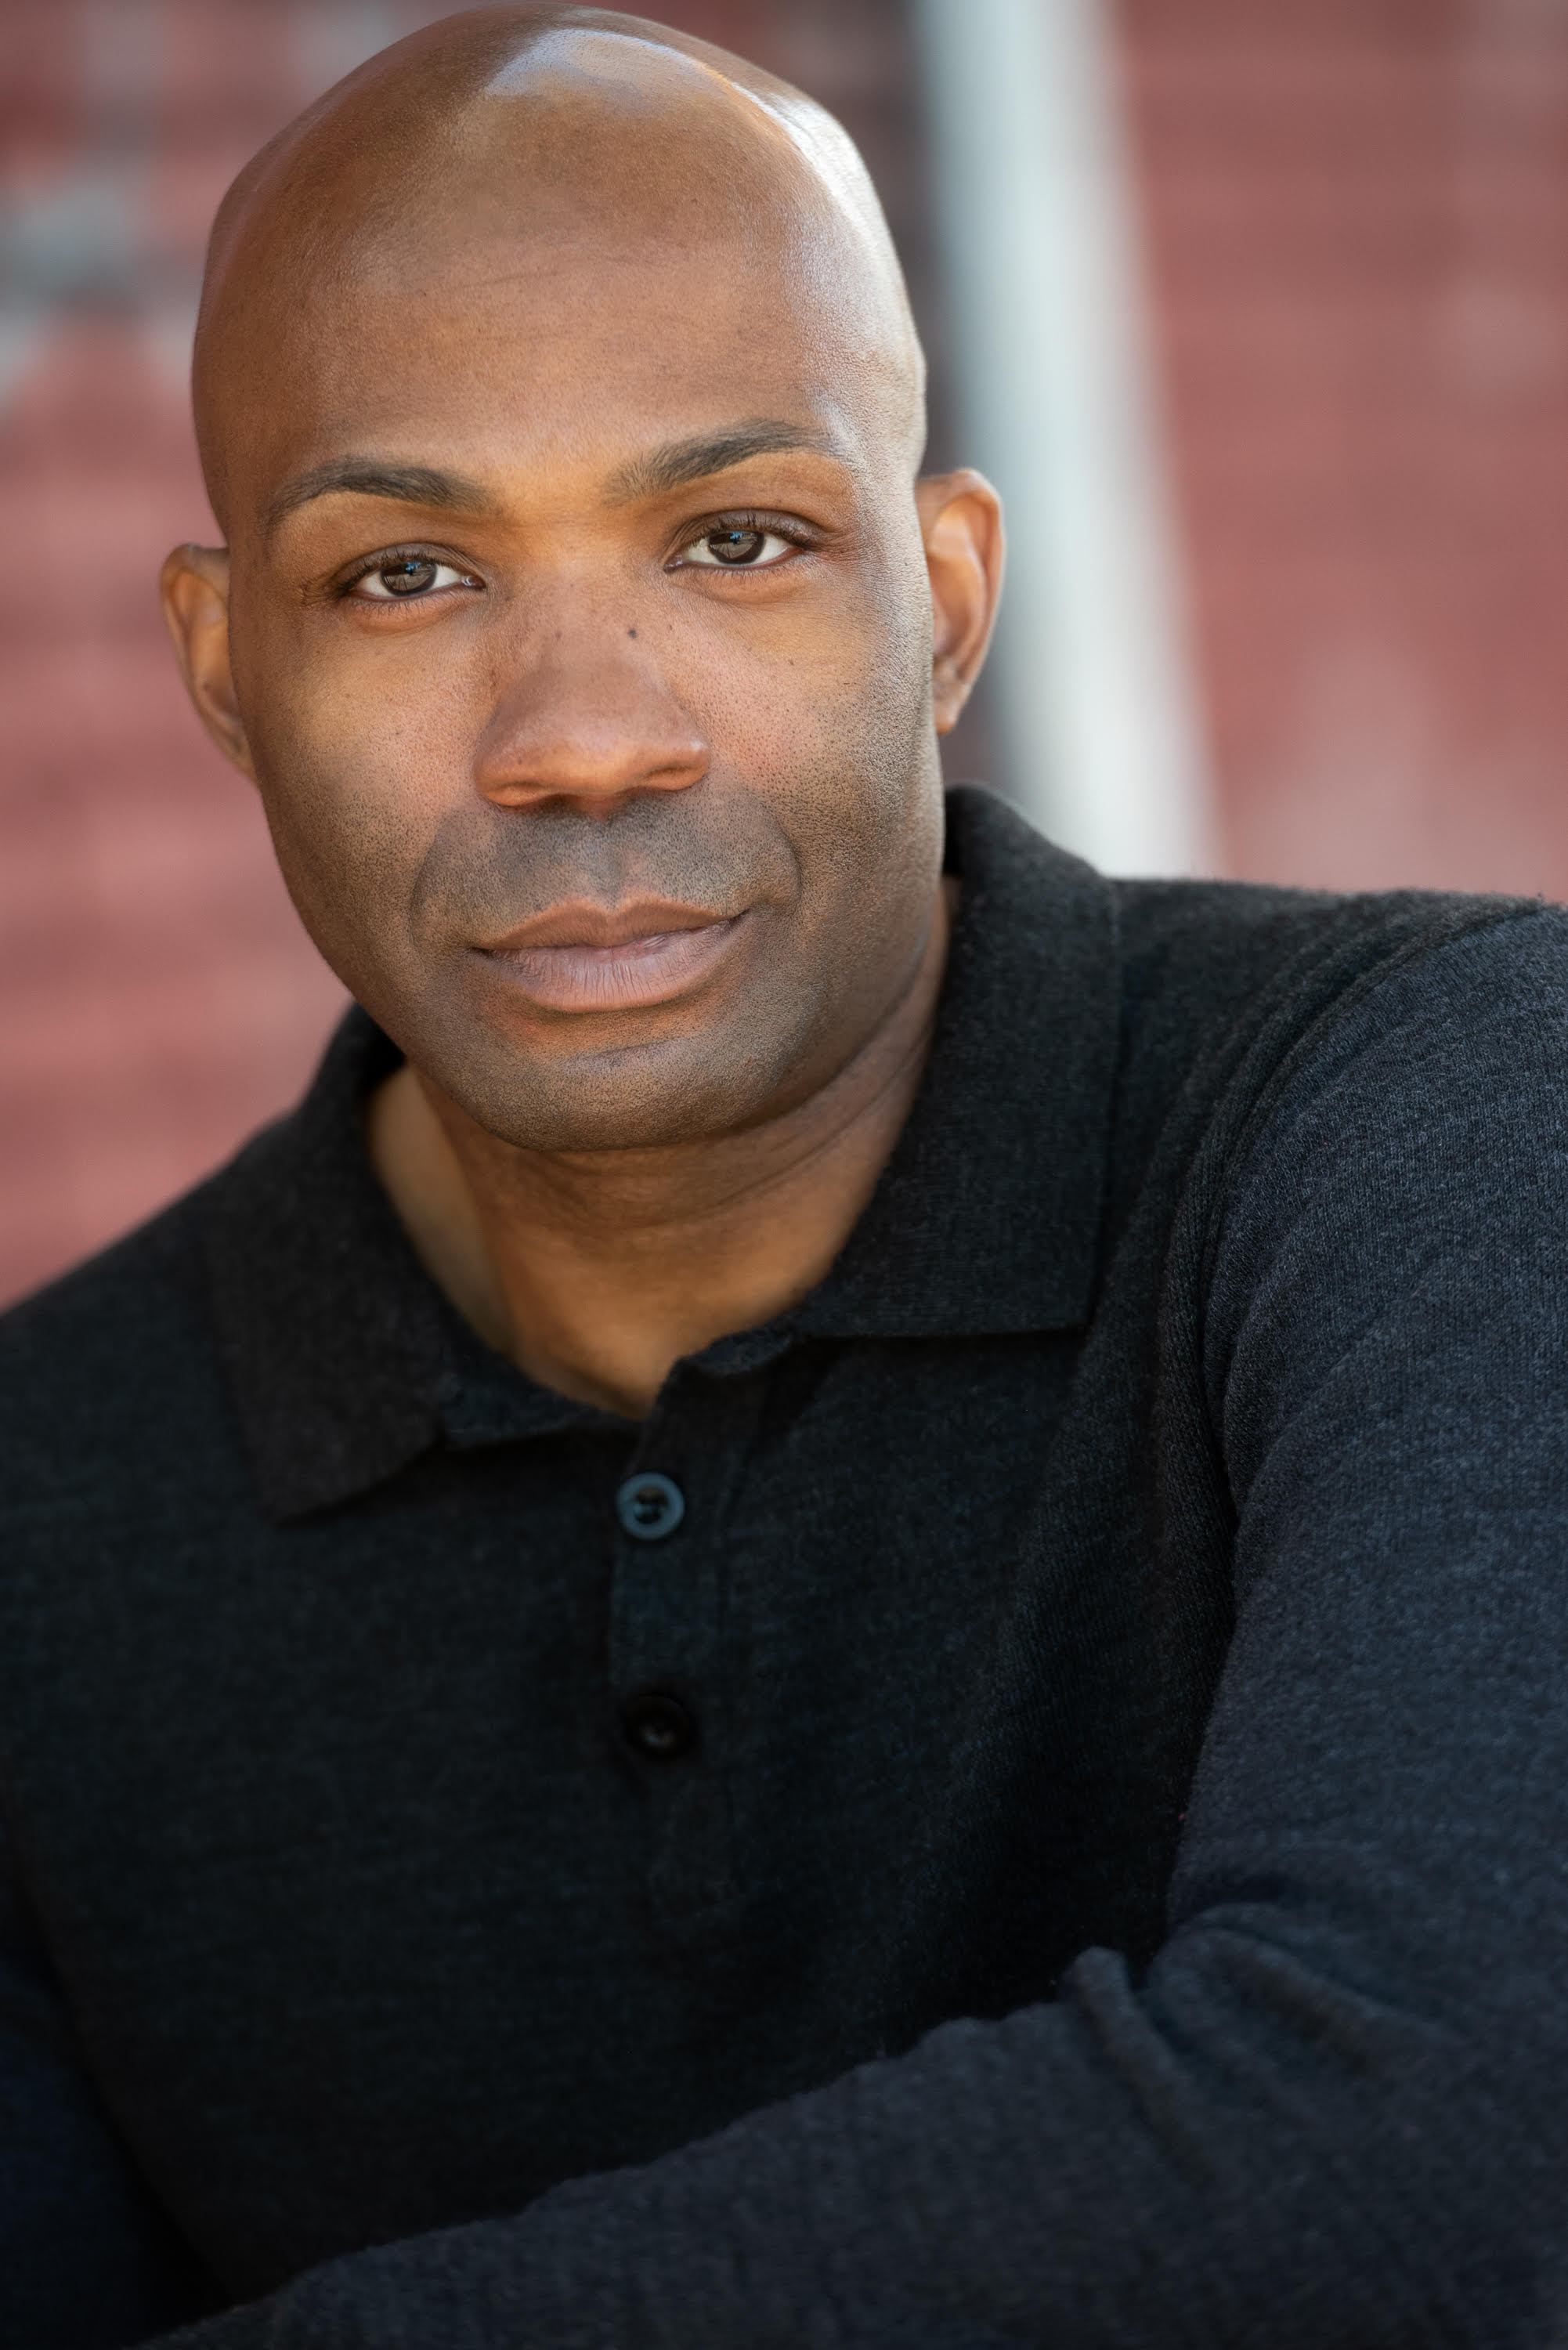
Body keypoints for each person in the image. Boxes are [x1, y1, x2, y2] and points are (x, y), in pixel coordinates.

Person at [2, 6, 1566, 2345]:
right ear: (228, 674)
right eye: (405, 576)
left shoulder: (1430, 1122)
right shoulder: (40, 1511)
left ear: (941, 607)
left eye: (737, 540)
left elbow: (1446, 2152)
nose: (581, 739)